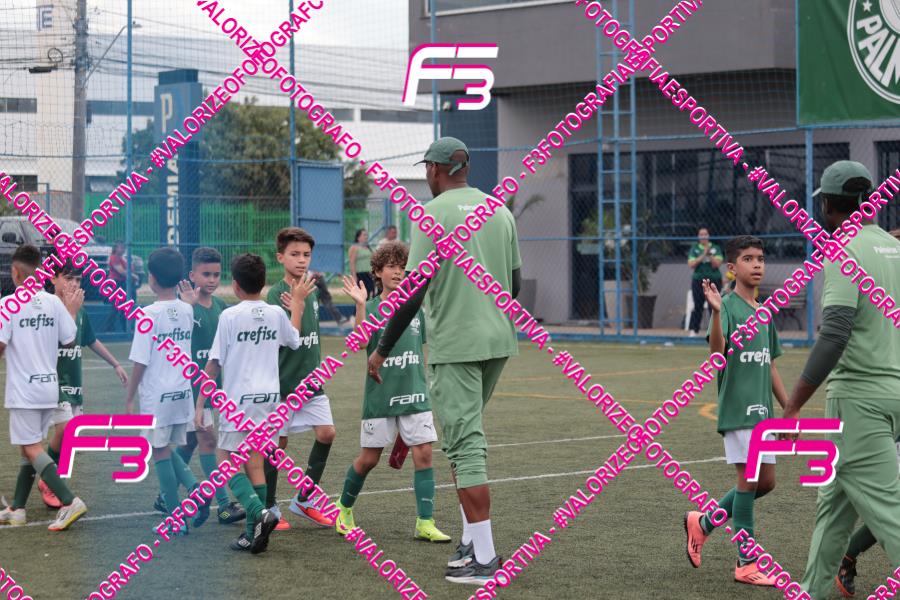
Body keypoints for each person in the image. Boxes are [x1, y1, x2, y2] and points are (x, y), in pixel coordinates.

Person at [367, 137, 522, 584]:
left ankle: (486, 560)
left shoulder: (431, 214)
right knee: (460, 441)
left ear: (434, 170)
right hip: (498, 341)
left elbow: (414, 290)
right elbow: (515, 283)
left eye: (427, 170)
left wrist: (381, 348)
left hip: (456, 346)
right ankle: (471, 543)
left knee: (466, 447)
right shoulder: (499, 210)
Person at [780, 161, 900, 600]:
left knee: (890, 513)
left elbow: (834, 334)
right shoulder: (893, 247)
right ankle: (811, 590)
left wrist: (793, 405)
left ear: (829, 205)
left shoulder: (842, 250)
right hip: (892, 393)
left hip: (858, 401)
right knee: (833, 506)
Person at [683, 235, 789, 586]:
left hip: (763, 415)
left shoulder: (764, 312)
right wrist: (715, 313)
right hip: (739, 411)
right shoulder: (727, 306)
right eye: (748, 259)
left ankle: (703, 523)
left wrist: (789, 409)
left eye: (760, 258)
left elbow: (770, 364)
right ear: (732, 267)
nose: (757, 264)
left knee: (766, 482)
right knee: (748, 481)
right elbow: (717, 354)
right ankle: (746, 563)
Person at [334, 242, 450, 543]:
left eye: (402, 267)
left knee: (424, 454)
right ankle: (343, 509)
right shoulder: (373, 308)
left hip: (414, 393)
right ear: (377, 272)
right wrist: (360, 305)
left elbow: (419, 349)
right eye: (391, 267)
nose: (398, 272)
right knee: (369, 459)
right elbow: (361, 343)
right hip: (381, 395)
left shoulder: (416, 309)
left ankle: (425, 522)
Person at [202, 253, 304, 553]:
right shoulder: (275, 313)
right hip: (270, 401)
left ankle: (259, 511)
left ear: (235, 285)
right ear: (264, 282)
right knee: (255, 462)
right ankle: (252, 534)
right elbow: (294, 339)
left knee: (225, 460)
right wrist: (297, 307)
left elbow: (214, 363)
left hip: (239, 403)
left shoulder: (230, 316)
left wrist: (200, 403)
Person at [152, 247, 245, 525]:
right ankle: (224, 505)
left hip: (212, 387)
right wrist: (188, 306)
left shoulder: (221, 307)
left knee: (191, 441)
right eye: (206, 274)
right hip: (190, 388)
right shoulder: (182, 309)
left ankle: (164, 495)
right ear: (192, 275)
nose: (212, 280)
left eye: (216, 274)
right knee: (208, 440)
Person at [0, 245, 88, 530]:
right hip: (50, 388)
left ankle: (69, 500)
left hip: (24, 391)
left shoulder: (8, 305)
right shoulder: (52, 303)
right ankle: (17, 509)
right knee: (30, 448)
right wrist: (70, 312)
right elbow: (69, 339)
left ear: (16, 272)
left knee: (31, 447)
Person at [834, 225, 900, 598]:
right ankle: (846, 553)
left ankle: (847, 553)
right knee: (889, 503)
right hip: (881, 408)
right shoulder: (879, 301)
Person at [126, 247, 209, 536]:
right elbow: (185, 310)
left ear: (151, 278)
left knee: (158, 451)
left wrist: (129, 396)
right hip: (182, 392)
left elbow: (140, 361)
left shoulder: (147, 314)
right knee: (162, 446)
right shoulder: (187, 309)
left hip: (157, 395)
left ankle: (176, 519)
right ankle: (196, 489)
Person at [39, 259, 129, 509]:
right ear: (53, 278)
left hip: (74, 383)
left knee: (70, 436)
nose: (74, 284)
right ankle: (47, 480)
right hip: (53, 382)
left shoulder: (80, 311)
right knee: (65, 429)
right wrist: (70, 312)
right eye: (68, 278)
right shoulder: (47, 308)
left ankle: (52, 480)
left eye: (78, 279)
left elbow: (91, 340)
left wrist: (115, 364)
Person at [265, 227, 335, 530]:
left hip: (311, 382)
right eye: (294, 254)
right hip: (283, 384)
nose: (302, 260)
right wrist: (296, 304)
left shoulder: (312, 289)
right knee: (277, 444)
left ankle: (304, 500)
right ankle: (269, 506)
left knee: (327, 433)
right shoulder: (274, 294)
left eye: (306, 254)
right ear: (281, 257)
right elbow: (283, 339)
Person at [687, 227, 724, 336]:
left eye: (705, 234)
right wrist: (703, 254)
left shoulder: (715, 248)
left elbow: (717, 264)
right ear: (698, 236)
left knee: (713, 306)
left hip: (714, 280)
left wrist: (709, 254)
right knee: (697, 305)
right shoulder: (695, 248)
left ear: (708, 236)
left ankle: (715, 331)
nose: (703, 236)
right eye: (701, 234)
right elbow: (691, 264)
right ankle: (694, 330)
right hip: (698, 280)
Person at [104, 241, 128, 332]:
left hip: (122, 283)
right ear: (115, 248)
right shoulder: (114, 257)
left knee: (123, 307)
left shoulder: (122, 259)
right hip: (115, 283)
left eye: (123, 247)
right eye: (120, 247)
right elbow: (121, 271)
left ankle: (125, 328)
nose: (123, 249)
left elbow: (127, 270)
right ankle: (109, 329)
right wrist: (133, 275)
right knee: (115, 307)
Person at [349, 229, 374, 298]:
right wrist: (354, 276)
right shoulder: (355, 247)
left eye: (366, 235)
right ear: (358, 237)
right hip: (360, 274)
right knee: (362, 295)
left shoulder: (368, 247)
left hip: (369, 274)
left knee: (371, 293)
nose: (366, 237)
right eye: (364, 235)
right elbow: (352, 262)